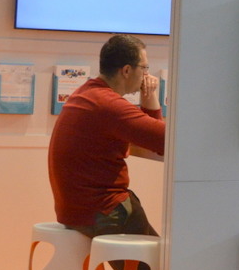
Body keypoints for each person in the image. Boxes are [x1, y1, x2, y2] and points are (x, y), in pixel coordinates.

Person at [48, 34, 166, 237]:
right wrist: (152, 97)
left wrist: (149, 95)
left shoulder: (87, 93)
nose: (146, 74)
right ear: (127, 70)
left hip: (76, 211)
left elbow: (153, 139)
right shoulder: (109, 105)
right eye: (144, 68)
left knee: (159, 248)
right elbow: (165, 141)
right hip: (104, 212)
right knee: (164, 256)